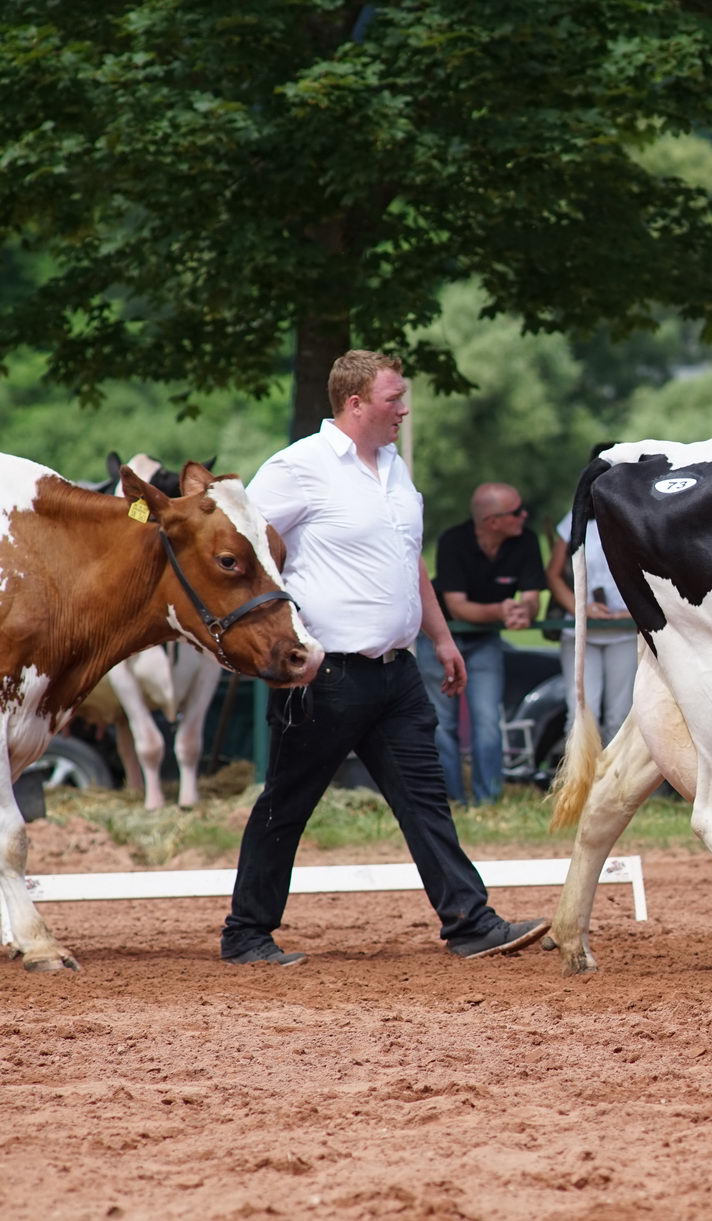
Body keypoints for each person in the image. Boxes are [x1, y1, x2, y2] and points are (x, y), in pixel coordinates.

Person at [221, 350, 548, 965]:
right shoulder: (297, 468)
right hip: (323, 676)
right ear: (355, 403)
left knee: (426, 802)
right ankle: (245, 933)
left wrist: (442, 639)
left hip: (398, 673)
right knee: (285, 807)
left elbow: (408, 562)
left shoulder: (395, 468)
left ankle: (470, 923)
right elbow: (239, 550)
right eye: (394, 398)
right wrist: (275, 639)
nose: (404, 409)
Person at [432, 482, 547, 805]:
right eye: (516, 512)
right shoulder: (453, 541)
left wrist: (524, 612)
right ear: (493, 521)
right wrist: (501, 611)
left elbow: (531, 597)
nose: (524, 515)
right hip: (441, 637)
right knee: (442, 722)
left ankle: (488, 800)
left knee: (487, 720)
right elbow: (457, 607)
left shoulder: (526, 541)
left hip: (485, 639)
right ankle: (450, 799)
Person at [547, 444, 638, 741]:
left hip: (625, 631)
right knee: (581, 716)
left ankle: (616, 773)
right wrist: (580, 608)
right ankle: (580, 772)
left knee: (620, 717)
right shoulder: (575, 518)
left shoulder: (637, 517)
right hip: (581, 632)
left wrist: (634, 612)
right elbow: (553, 574)